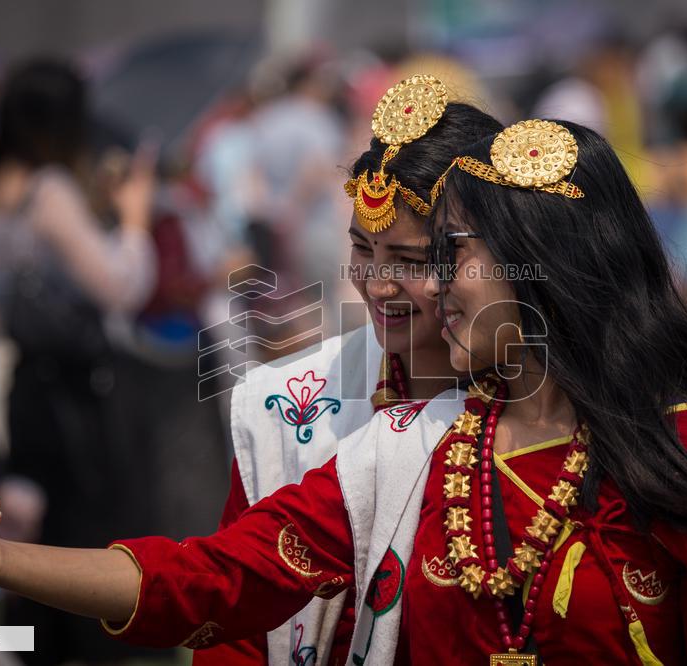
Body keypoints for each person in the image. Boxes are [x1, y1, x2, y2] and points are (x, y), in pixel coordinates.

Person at [0, 118, 687, 664]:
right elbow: (215, 582)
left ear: (550, 272)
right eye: (383, 256)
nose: (418, 288)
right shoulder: (411, 446)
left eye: (445, 257)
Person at [201, 75, 502, 664]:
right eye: (363, 250)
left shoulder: (545, 406)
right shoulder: (285, 406)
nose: (377, 284)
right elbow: (232, 610)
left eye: (411, 260)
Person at [0, 58, 158, 664]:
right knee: (91, 545)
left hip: (29, 393)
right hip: (79, 399)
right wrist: (133, 217)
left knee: (33, 551)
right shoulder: (48, 190)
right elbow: (121, 286)